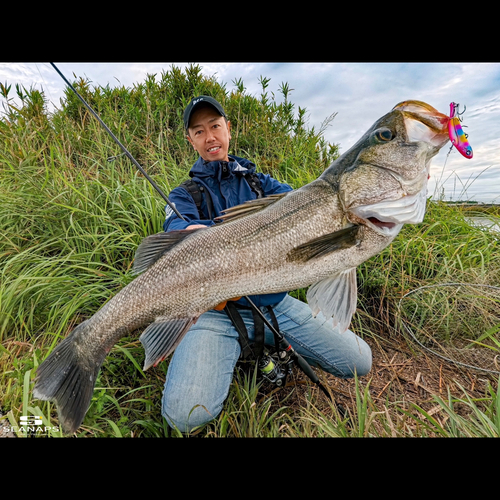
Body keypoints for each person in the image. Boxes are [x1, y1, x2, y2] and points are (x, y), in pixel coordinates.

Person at [161, 95, 372, 433]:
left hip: (275, 304)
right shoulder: (185, 194)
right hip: (214, 311)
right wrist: (190, 232)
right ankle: (219, 349)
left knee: (359, 360)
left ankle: (268, 346)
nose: (210, 137)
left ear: (229, 129)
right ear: (190, 140)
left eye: (215, 126)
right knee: (186, 417)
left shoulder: (263, 184)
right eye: (199, 132)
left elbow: (309, 204)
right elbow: (175, 227)